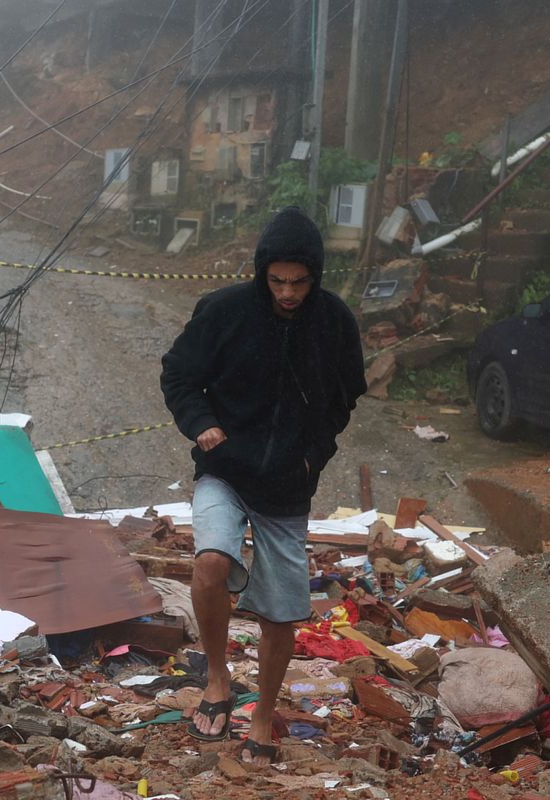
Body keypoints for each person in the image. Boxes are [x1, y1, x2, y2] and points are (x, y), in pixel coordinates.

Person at [159, 206, 366, 765]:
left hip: (287, 486)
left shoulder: (335, 323)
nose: (288, 293)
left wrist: (312, 456)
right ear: (262, 274)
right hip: (225, 469)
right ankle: (219, 677)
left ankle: (263, 715)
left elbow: (345, 400)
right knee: (210, 564)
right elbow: (178, 375)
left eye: (299, 282)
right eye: (277, 281)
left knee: (280, 611)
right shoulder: (223, 311)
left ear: (315, 276)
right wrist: (202, 427)